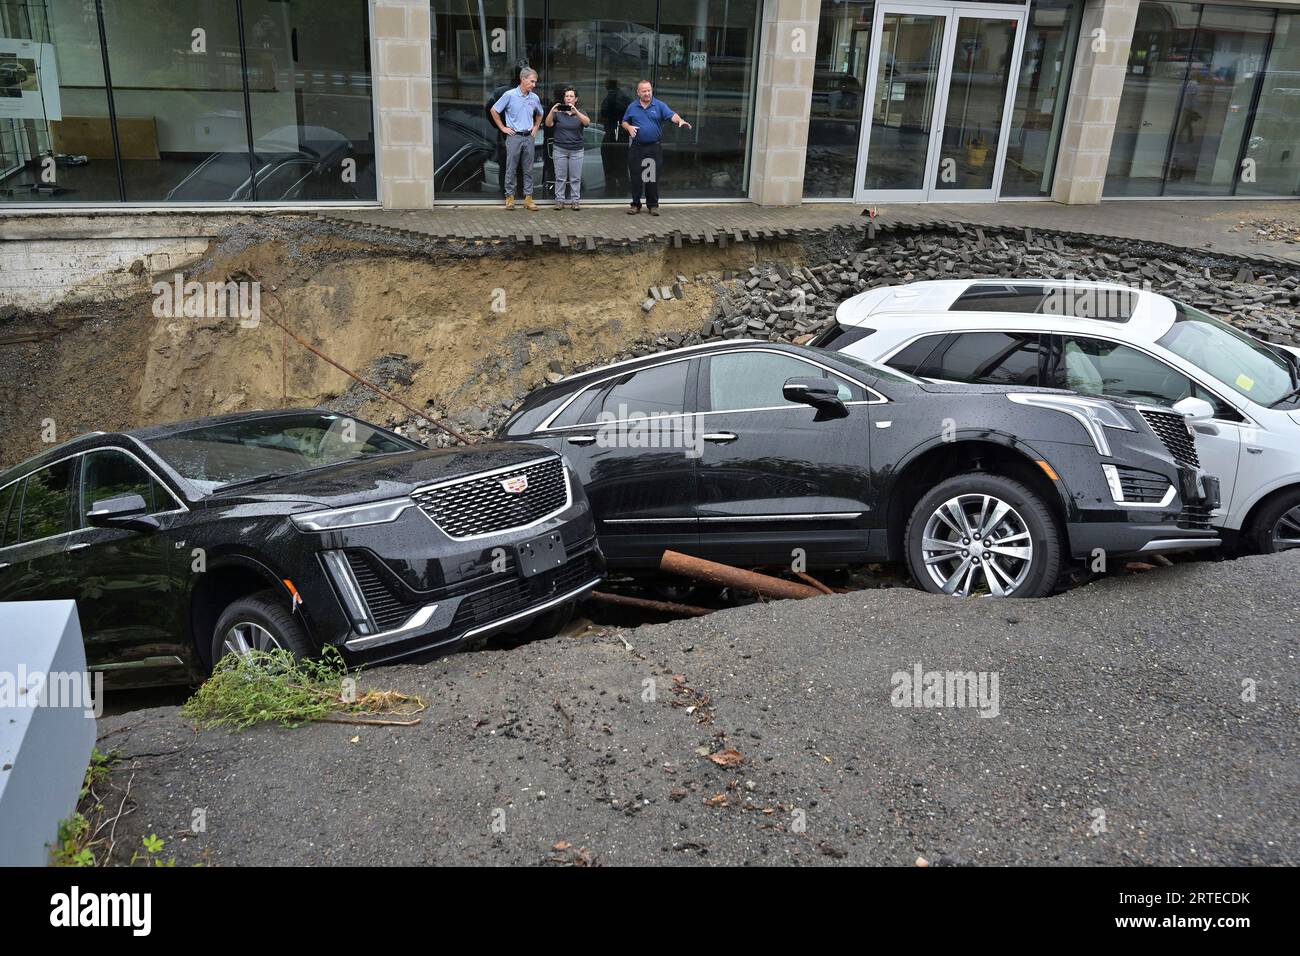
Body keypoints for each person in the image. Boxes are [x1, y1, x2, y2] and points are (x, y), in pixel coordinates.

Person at [621, 79, 691, 216]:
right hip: (637, 148)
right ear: (638, 92)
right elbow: (624, 121)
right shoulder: (632, 106)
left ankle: (653, 205)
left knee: (651, 177)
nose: (647, 93)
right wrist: (628, 127)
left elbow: (672, 115)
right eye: (644, 91)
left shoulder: (659, 105)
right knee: (635, 177)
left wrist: (680, 120)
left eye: (649, 90)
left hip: (653, 148)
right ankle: (635, 205)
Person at [490, 67, 544, 211]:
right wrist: (503, 128)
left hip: (529, 137)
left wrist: (536, 127)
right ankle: (510, 198)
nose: (534, 85)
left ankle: (528, 199)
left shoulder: (534, 97)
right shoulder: (510, 95)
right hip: (514, 137)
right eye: (532, 81)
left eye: (535, 82)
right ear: (523, 79)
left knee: (528, 169)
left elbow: (540, 113)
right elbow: (494, 110)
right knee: (511, 168)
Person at [546, 86, 590, 210]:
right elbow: (549, 124)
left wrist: (576, 112)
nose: (569, 98)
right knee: (560, 177)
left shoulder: (581, 112)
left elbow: (586, 122)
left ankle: (575, 201)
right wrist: (552, 111)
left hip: (576, 150)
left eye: (571, 96)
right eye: (567, 96)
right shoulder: (558, 113)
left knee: (575, 178)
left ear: (576, 99)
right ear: (564, 99)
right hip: (560, 149)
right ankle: (559, 201)